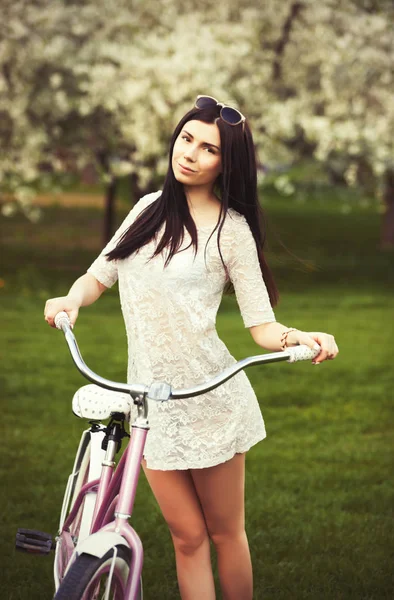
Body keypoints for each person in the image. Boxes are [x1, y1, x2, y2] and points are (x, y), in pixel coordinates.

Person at [44, 95, 338, 600]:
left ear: (228, 164)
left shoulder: (232, 231)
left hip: (210, 400)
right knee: (187, 537)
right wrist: (71, 298)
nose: (191, 154)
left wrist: (298, 338)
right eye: (186, 139)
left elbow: (262, 325)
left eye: (209, 149)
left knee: (225, 533)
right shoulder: (146, 210)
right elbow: (99, 276)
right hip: (149, 405)